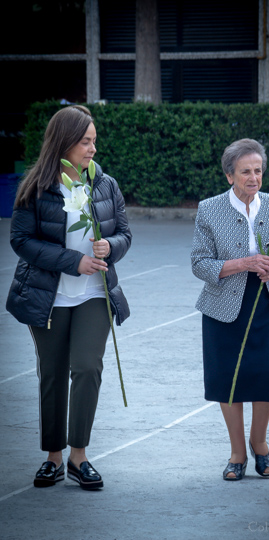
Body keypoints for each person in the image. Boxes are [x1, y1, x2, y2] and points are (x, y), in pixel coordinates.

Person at [6, 105, 132, 490]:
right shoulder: (36, 188)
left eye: (94, 141)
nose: (93, 148)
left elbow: (125, 232)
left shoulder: (105, 185)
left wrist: (110, 246)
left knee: (88, 368)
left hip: (95, 295)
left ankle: (79, 456)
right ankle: (53, 458)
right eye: (85, 141)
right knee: (53, 374)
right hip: (48, 297)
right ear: (63, 142)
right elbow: (20, 241)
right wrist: (71, 261)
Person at [191, 139, 269, 481]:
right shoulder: (209, 209)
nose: (253, 177)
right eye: (245, 172)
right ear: (229, 176)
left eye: (258, 171)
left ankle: (260, 442)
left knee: (265, 374)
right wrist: (243, 263)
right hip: (223, 304)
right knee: (228, 378)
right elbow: (199, 263)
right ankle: (237, 452)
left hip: (266, 300)